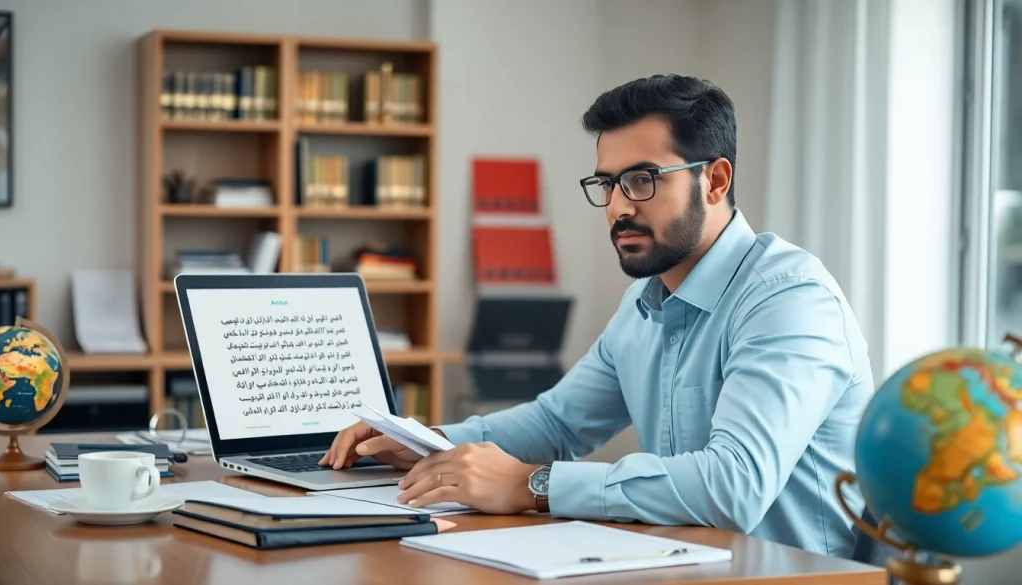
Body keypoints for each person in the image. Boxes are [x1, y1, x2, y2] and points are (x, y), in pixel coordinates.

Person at [321, 74, 873, 559]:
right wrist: (427, 443)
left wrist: (533, 485)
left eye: (642, 179)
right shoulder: (643, 304)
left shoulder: (788, 298)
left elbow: (734, 486)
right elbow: (557, 424)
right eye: (607, 183)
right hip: (685, 564)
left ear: (715, 181)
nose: (617, 207)